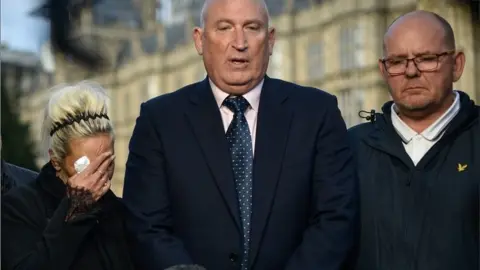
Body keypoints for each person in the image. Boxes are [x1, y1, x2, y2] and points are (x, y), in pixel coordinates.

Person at [122, 0, 358, 270]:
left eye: (252, 27)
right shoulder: (159, 120)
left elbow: (335, 218)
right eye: (224, 28)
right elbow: (146, 226)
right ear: (199, 40)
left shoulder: (317, 112)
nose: (239, 42)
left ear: (270, 40)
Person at [349, 10, 480, 270]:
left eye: (427, 58)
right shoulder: (348, 149)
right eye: (397, 62)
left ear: (457, 65)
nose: (411, 71)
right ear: (383, 70)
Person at [1, 81, 134, 270]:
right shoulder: (20, 208)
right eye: (85, 166)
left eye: (106, 163)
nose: (99, 174)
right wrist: (73, 215)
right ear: (56, 161)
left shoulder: (120, 213)